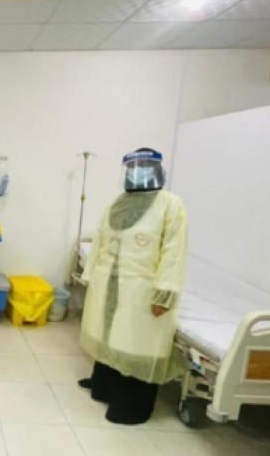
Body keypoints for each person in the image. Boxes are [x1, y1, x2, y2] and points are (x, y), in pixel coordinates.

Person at [78, 148, 188, 425]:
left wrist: (164, 294)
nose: (139, 173)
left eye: (146, 167)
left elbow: (174, 253)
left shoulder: (170, 205)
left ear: (158, 170)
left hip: (142, 289)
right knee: (108, 336)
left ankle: (131, 407)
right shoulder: (117, 203)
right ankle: (103, 386)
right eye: (133, 167)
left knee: (134, 341)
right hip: (109, 283)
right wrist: (90, 276)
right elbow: (100, 241)